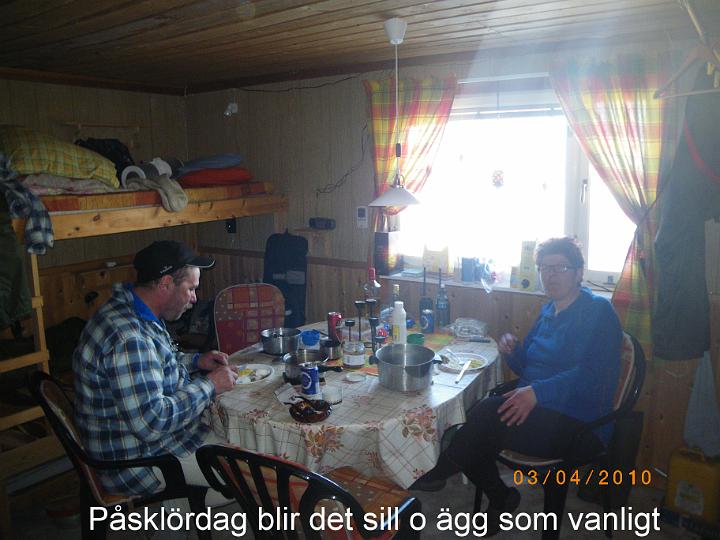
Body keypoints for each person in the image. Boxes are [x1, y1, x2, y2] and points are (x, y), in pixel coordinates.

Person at [412, 237, 622, 532]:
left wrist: (536, 392)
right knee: (474, 424)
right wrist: (513, 352)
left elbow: (593, 375)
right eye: (544, 268)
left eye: (560, 268)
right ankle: (497, 494)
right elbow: (528, 368)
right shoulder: (548, 311)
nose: (551, 275)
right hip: (537, 410)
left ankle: (445, 473)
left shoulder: (599, 311)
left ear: (579, 273)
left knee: (481, 421)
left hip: (580, 422)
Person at [73, 240, 237, 503]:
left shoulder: (132, 309)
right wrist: (210, 385)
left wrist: (197, 361)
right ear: (165, 284)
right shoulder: (129, 338)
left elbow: (154, 362)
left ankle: (178, 506)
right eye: (191, 289)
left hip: (145, 442)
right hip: (138, 460)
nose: (195, 298)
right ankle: (173, 504)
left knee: (233, 443)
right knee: (248, 475)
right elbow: (152, 422)